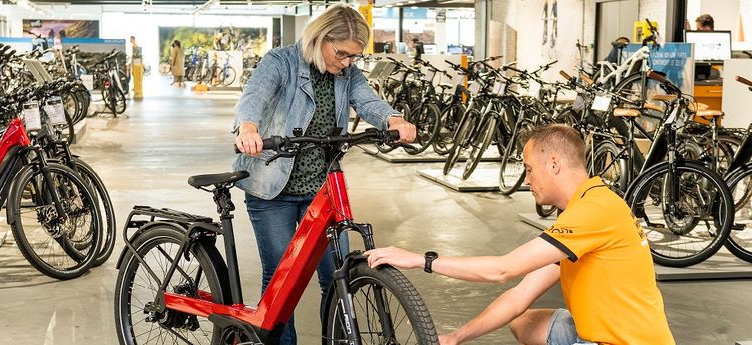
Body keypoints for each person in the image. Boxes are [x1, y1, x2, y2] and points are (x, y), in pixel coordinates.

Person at [365, 124, 675, 345]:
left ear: (553, 164)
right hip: (599, 332)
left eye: (528, 169)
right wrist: (457, 337)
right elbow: (519, 296)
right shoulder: (588, 205)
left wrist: (421, 259)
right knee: (525, 322)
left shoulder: (594, 212)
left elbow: (503, 270)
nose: (526, 179)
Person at [233, 4, 416, 344]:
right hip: (273, 188)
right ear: (319, 39)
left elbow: (368, 101)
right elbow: (254, 97)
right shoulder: (280, 62)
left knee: (337, 276)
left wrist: (393, 119)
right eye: (341, 53)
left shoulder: (348, 74)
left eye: (353, 56)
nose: (346, 62)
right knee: (281, 282)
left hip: (322, 191)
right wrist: (248, 128)